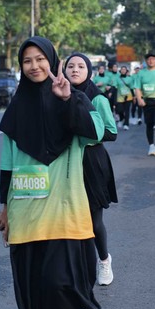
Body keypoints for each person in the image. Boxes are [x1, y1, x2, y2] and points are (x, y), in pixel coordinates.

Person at [0, 36, 106, 309]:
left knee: (59, 285)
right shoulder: (17, 108)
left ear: (52, 61)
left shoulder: (75, 98)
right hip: (26, 216)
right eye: (27, 61)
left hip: (65, 214)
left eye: (40, 59)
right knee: (33, 295)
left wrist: (68, 100)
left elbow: (96, 133)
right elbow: (7, 164)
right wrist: (5, 209)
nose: (34, 66)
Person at [65, 52, 118, 286]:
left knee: (94, 220)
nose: (75, 70)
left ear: (89, 71)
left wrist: (82, 134)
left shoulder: (97, 99)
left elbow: (111, 132)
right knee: (69, 218)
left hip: (92, 161)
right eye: (70, 66)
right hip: (66, 161)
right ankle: (76, 267)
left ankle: (104, 260)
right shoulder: (59, 95)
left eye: (80, 66)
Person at [113, 65, 133, 130]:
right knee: (120, 110)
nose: (123, 71)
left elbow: (132, 88)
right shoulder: (117, 79)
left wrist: (134, 96)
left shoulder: (130, 78)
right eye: (122, 69)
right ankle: (122, 118)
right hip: (120, 97)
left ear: (126, 71)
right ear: (120, 71)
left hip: (128, 96)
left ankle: (126, 124)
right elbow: (115, 87)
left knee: (127, 111)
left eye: (124, 69)